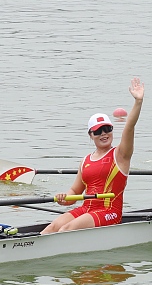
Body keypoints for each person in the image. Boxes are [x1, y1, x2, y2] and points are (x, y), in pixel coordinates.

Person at [42, 78, 144, 234]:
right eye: (98, 131)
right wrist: (64, 198)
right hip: (86, 208)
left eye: (107, 129)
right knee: (52, 228)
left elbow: (129, 127)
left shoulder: (121, 154)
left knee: (66, 229)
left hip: (109, 211)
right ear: (91, 135)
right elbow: (75, 192)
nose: (104, 134)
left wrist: (138, 102)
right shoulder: (85, 161)